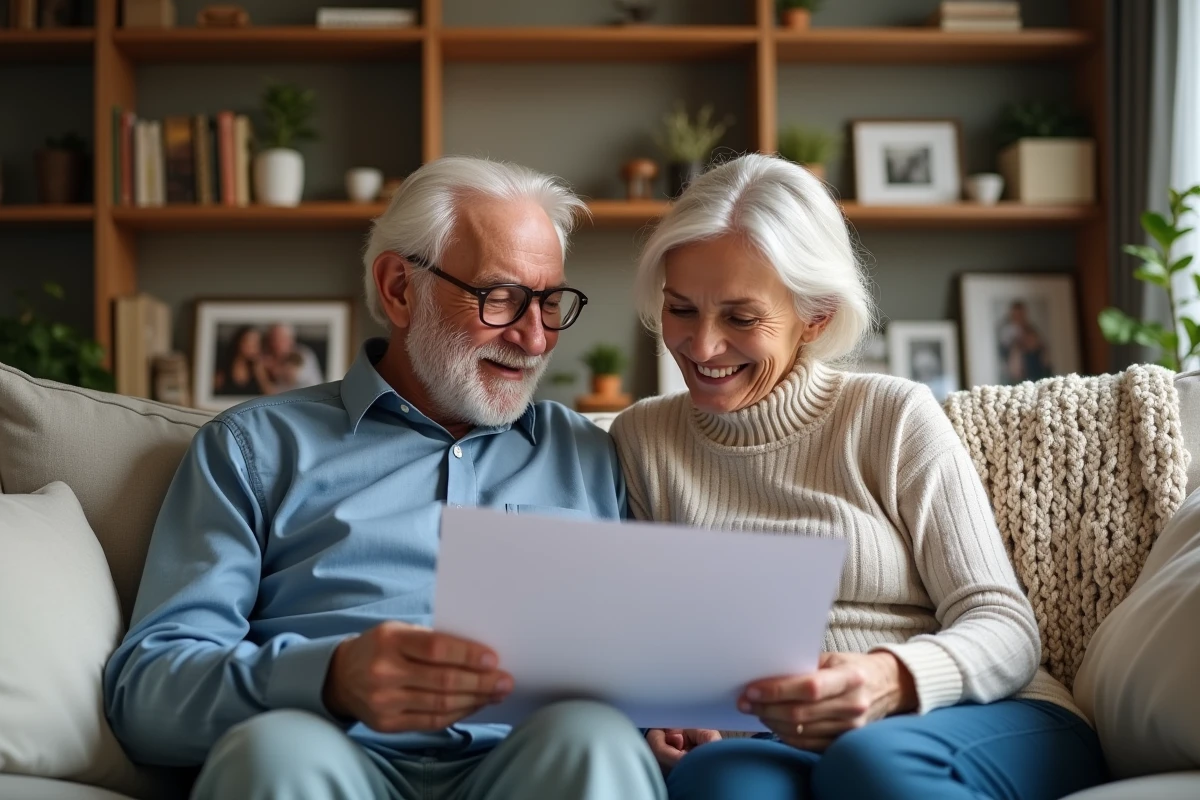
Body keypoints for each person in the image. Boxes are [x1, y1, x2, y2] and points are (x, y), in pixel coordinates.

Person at [104, 156, 665, 800]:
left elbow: (639, 659)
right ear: (400, 288)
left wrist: (667, 715)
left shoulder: (591, 455)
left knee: (595, 739)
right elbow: (145, 694)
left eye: (549, 301)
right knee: (274, 754)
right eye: (501, 297)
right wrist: (331, 677)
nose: (535, 339)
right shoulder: (254, 449)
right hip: (327, 755)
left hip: (531, 766)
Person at [610, 153, 1107, 800]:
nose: (701, 348)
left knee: (869, 764)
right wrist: (663, 712)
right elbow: (650, 634)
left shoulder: (890, 416)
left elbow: (1004, 626)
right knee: (717, 782)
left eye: (739, 317)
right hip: (774, 740)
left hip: (970, 717)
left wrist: (889, 678)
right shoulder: (644, 439)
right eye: (681, 310)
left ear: (814, 317)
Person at [263, 322, 325, 390]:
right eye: (273, 339)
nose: (276, 344)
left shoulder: (303, 354)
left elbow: (293, 377)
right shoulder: (267, 356)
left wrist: (275, 370)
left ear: (291, 340)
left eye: (281, 339)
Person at [212, 325, 271, 396]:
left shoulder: (261, 368)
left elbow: (271, 397)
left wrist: (260, 374)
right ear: (239, 342)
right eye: (249, 341)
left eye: (257, 343)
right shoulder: (223, 366)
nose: (253, 346)